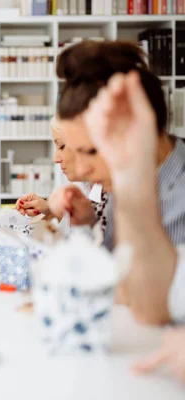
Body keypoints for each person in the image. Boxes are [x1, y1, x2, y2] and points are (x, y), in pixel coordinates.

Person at [79, 69, 185, 379]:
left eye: (91, 150)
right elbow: (147, 304)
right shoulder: (127, 188)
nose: (81, 168)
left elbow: (148, 303)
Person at [44, 41, 185, 250]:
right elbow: (114, 270)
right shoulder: (122, 185)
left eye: (91, 151)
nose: (82, 169)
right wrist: (88, 223)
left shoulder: (177, 198)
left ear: (137, 126)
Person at [15, 116, 106, 219]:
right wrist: (49, 209)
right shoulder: (82, 187)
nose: (55, 159)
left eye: (61, 146)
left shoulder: (111, 197)